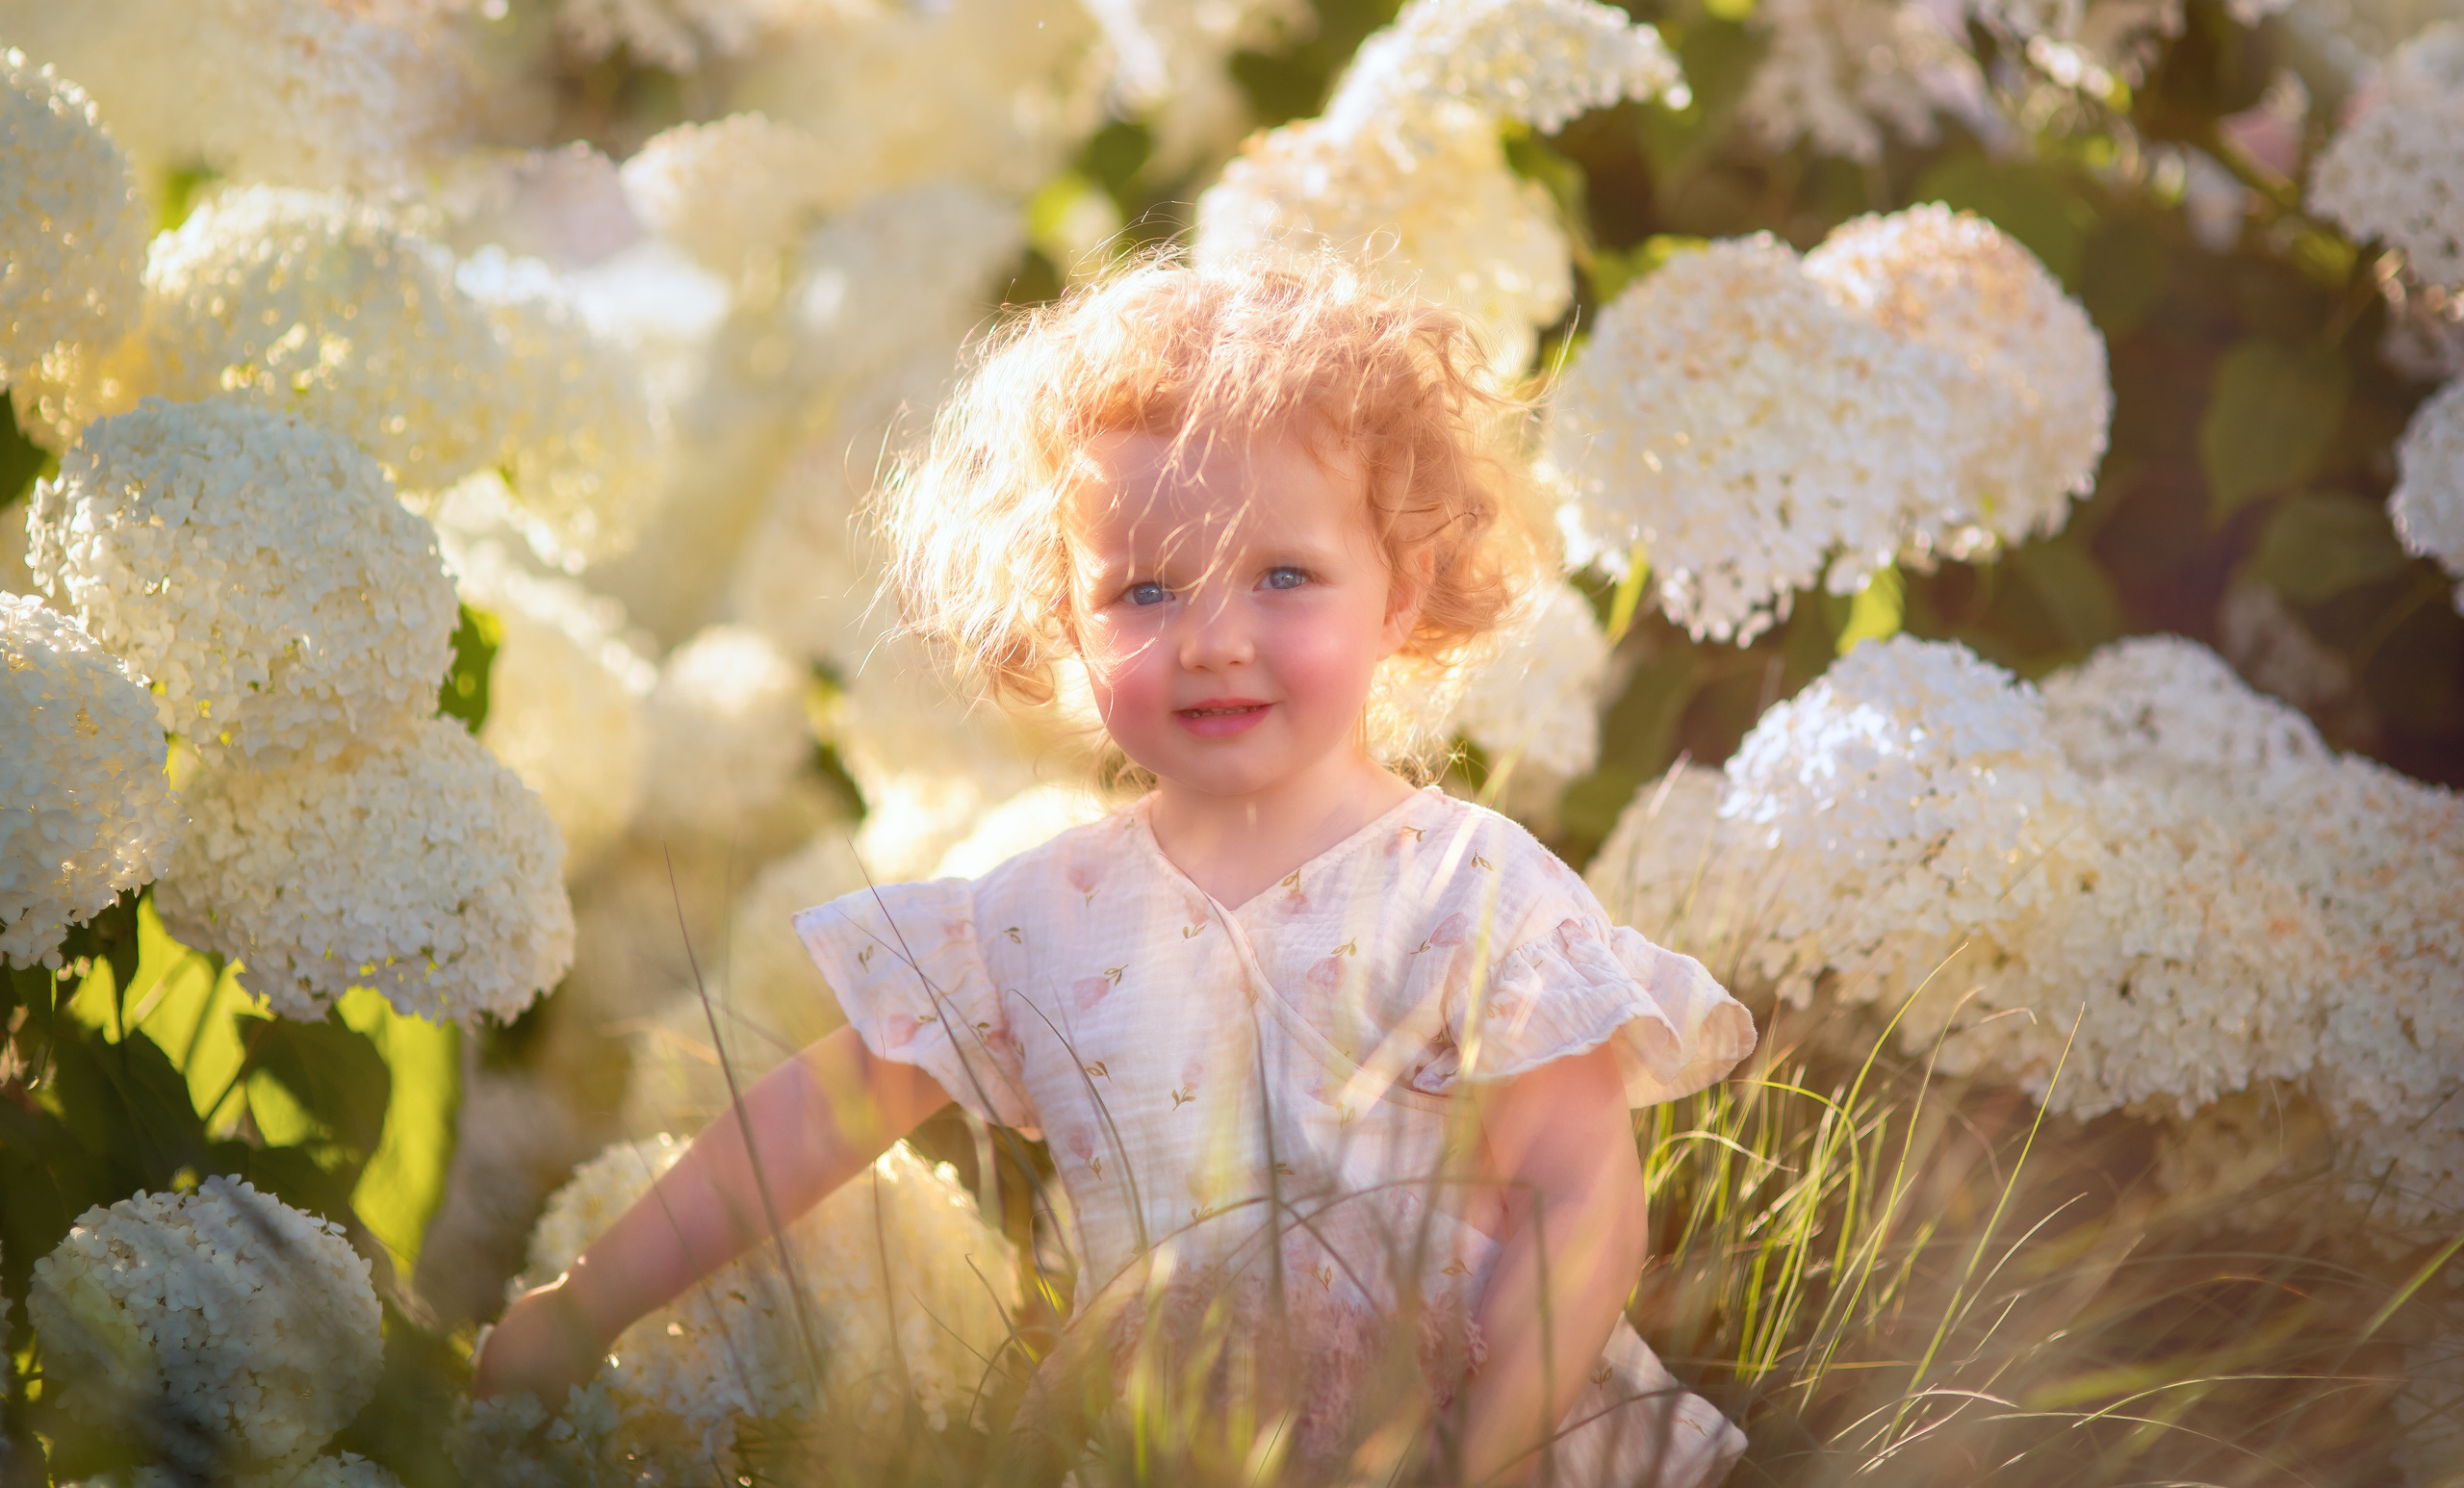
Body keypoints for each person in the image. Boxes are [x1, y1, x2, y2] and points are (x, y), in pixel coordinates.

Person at [476, 255, 1758, 1485]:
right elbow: (821, 1117)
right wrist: (588, 1306)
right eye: (1143, 592)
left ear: (1403, 591)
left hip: (1455, 1427)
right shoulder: (1046, 918)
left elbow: (1579, 1190)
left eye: (1284, 577)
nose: (1212, 639)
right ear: (1065, 619)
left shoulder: (1468, 889)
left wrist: (1495, 1459)